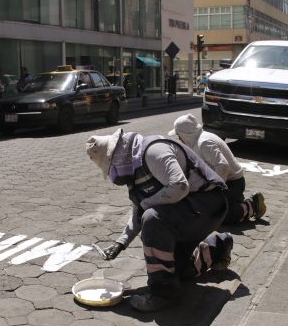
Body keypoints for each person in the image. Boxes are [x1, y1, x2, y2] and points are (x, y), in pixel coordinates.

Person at [86, 128, 234, 312]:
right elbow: (138, 212)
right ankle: (219, 245)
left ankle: (163, 294)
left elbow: (179, 186)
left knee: (153, 219)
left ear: (118, 155)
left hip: (209, 205)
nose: (113, 176)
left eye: (111, 167)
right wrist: (121, 243)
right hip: (188, 211)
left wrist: (147, 204)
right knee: (178, 270)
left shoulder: (153, 151)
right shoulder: (134, 169)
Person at [168, 114, 266, 224]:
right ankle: (233, 202)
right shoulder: (197, 140)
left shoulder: (204, 142)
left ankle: (252, 205)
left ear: (186, 134)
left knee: (217, 217)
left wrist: (214, 189)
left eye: (179, 135)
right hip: (225, 182)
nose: (179, 138)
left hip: (232, 183)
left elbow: (223, 166)